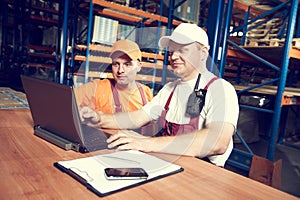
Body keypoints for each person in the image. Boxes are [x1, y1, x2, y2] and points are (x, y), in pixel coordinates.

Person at [80, 23, 239, 167]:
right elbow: (138, 117)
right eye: (171, 51)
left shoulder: (220, 89)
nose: (173, 57)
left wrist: (147, 143)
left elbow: (217, 142)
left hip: (202, 174)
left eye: (182, 50)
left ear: (203, 53)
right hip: (170, 165)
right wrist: (100, 118)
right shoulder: (170, 89)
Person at [75, 39, 153, 126]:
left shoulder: (146, 94)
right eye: (116, 64)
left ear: (138, 67)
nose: (120, 70)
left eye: (127, 64)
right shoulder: (96, 88)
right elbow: (66, 101)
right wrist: (79, 111)